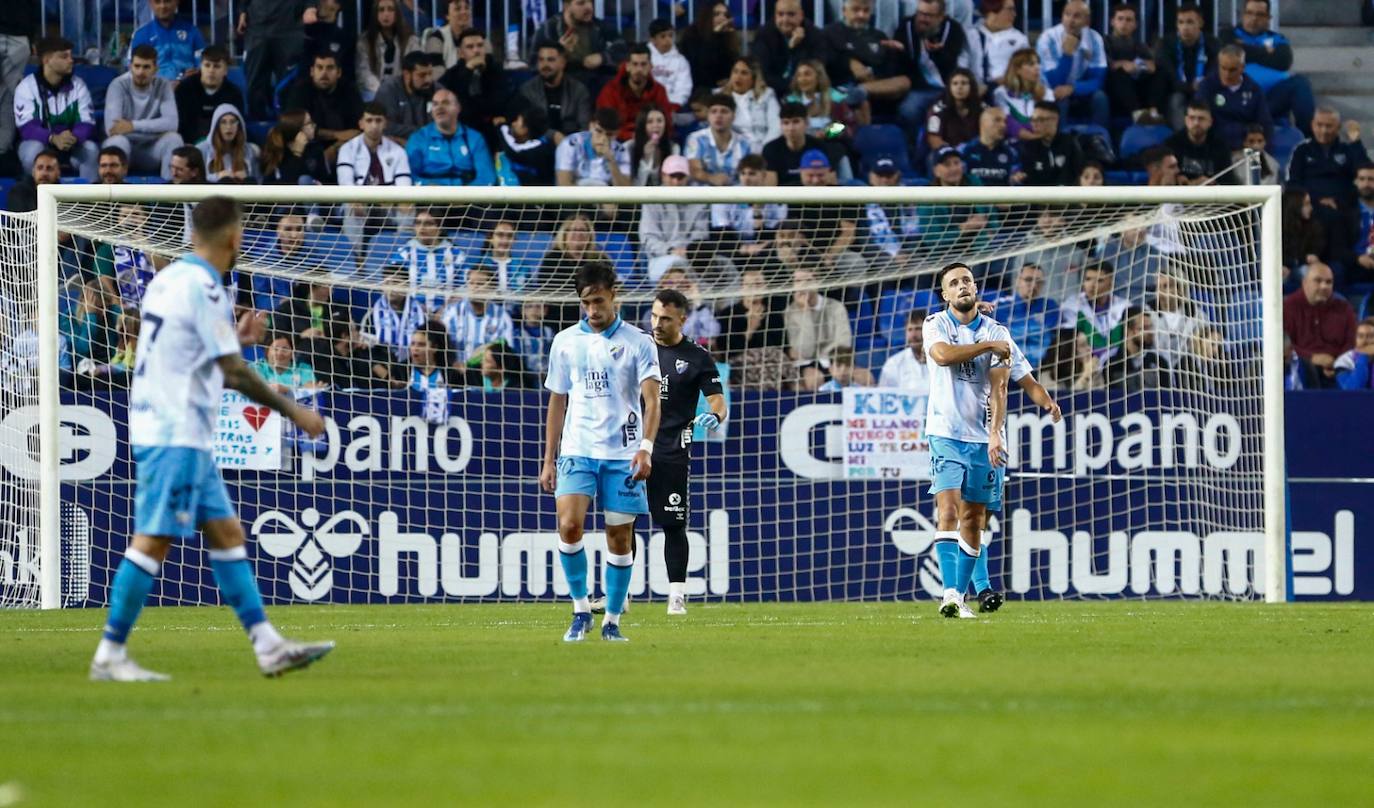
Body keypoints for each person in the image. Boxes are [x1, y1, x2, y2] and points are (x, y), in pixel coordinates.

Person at [88, 196, 331, 682]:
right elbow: (233, 373)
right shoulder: (205, 286)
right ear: (234, 237)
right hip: (175, 431)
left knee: (226, 532)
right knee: (154, 539)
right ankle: (110, 654)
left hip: (175, 427)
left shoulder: (169, 280)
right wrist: (296, 412)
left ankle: (268, 646)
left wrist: (235, 339)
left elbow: (194, 352)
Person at [539, 260, 661, 642]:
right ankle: (580, 612)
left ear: (614, 296)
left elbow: (652, 401)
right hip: (577, 450)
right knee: (569, 526)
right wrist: (549, 458)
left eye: (599, 301)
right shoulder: (565, 342)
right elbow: (557, 401)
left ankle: (611, 620)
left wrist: (646, 448)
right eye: (586, 302)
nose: (593, 310)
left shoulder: (639, 342)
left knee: (619, 540)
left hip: (623, 454)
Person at [922, 261, 1041, 618]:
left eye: (968, 281)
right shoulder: (936, 324)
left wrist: (1046, 402)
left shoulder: (995, 330)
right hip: (943, 432)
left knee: (974, 519)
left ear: (976, 288)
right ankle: (952, 596)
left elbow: (1006, 383)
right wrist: (986, 344)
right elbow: (942, 356)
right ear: (944, 294)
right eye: (954, 282)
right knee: (947, 511)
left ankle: (972, 590)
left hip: (982, 437)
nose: (963, 286)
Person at [641, 288, 728, 614]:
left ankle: (676, 595)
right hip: (631, 447)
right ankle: (618, 596)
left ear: (682, 319)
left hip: (672, 450)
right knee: (622, 520)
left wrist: (715, 414)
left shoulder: (697, 357)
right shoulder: (639, 346)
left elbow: (717, 399)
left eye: (665, 318)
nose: (657, 323)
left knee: (673, 524)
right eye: (654, 316)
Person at [1222, 0, 1315, 136]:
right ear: (1242, 15)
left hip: (1270, 102)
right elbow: (1229, 52)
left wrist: (1244, 49)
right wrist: (1265, 52)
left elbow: (1283, 62)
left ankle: (1309, 143)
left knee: (1300, 83)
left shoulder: (1278, 38)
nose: (1254, 19)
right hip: (1238, 101)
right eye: (1249, 13)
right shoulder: (1228, 34)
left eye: (1260, 15)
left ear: (1268, 19)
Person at [15, 37, 99, 180]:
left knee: (91, 150)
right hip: (40, 143)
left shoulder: (79, 85)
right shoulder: (27, 87)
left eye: (71, 56)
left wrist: (74, 137)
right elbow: (27, 128)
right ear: (47, 60)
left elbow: (87, 123)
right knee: (32, 152)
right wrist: (53, 138)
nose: (71, 60)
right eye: (64, 56)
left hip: (72, 145)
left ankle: (88, 200)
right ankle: (33, 197)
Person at [104, 45, 183, 180]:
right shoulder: (118, 85)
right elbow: (111, 128)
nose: (140, 72)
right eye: (137, 66)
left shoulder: (163, 86)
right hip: (124, 148)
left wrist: (133, 126)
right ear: (130, 66)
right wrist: (156, 128)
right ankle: (116, 197)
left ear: (155, 69)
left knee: (174, 139)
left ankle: (170, 196)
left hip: (152, 150)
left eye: (146, 67)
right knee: (117, 141)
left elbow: (172, 124)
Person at [894, 0, 972, 132]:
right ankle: (913, 148)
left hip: (947, 88)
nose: (922, 19)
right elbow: (901, 66)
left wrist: (938, 53)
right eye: (920, 14)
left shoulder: (953, 29)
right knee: (908, 110)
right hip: (918, 87)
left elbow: (951, 65)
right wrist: (900, 52)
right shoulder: (906, 26)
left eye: (929, 15)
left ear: (941, 16)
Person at [823, 0, 912, 108]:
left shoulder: (879, 36)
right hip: (843, 85)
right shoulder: (829, 33)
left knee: (904, 81)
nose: (861, 15)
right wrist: (848, 63)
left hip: (875, 87)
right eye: (856, 10)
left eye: (866, 11)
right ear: (844, 11)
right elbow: (824, 62)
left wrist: (899, 52)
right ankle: (854, 95)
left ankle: (860, 91)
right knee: (860, 102)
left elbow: (890, 69)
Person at [1035, 0, 1108, 128]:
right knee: (1061, 99)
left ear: (1087, 21)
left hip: (1077, 89)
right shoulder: (1047, 39)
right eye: (1067, 14)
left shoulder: (1095, 39)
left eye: (1077, 16)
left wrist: (1073, 88)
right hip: (1050, 90)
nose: (1070, 20)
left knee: (1100, 98)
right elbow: (1054, 82)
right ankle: (1060, 144)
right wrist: (1067, 55)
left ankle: (1101, 140)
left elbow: (1098, 80)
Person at [1283, 261, 1356, 388]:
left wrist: (1337, 363)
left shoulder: (1344, 308)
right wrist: (1311, 358)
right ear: (1304, 282)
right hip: (1301, 368)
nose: (1324, 286)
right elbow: (1284, 345)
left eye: (1329, 282)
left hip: (1338, 368)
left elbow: (1351, 342)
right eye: (1318, 281)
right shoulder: (1288, 307)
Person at [528, 0, 626, 91]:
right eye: (581, 3)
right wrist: (560, 55)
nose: (589, 7)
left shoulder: (598, 26)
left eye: (590, 2)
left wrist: (602, 57)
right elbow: (534, 66)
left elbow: (621, 47)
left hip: (596, 82)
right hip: (564, 88)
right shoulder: (548, 30)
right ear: (566, 6)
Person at [1287, 108, 1372, 212]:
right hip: (1310, 210)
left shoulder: (1348, 150)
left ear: (1338, 127)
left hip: (1343, 210)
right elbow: (1294, 183)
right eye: (1319, 125)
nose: (1324, 130)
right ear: (1312, 125)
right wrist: (1315, 201)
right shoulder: (1302, 151)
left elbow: (1365, 172)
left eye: (1329, 126)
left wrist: (1355, 142)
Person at [641, 155, 710, 282]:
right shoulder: (651, 200)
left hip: (692, 257)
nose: (676, 182)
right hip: (660, 258)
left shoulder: (699, 200)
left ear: (687, 177)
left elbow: (701, 233)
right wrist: (670, 250)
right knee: (678, 266)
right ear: (663, 175)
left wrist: (688, 251)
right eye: (672, 176)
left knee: (723, 264)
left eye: (680, 177)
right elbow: (648, 238)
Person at [406, 89, 495, 186]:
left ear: (458, 108)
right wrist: (426, 186)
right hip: (430, 197)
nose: (439, 108)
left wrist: (466, 195)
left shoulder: (475, 138)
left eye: (445, 103)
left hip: (468, 197)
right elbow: (410, 175)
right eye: (435, 104)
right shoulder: (418, 138)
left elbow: (487, 176)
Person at [785, 266, 853, 391]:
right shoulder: (790, 312)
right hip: (804, 364)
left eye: (808, 280)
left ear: (817, 282)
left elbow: (844, 343)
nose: (803, 285)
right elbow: (805, 351)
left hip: (834, 361)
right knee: (814, 378)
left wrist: (826, 358)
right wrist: (805, 313)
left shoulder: (836, 307)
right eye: (798, 281)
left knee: (865, 377)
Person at [282, 52, 365, 151]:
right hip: (308, 147)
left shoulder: (350, 90)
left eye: (330, 68)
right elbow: (293, 126)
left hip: (345, 146)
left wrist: (336, 146)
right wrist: (336, 135)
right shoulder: (301, 90)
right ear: (312, 71)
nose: (324, 73)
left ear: (339, 72)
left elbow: (358, 127)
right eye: (319, 67)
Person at [1153, 3, 1217, 131]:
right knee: (1177, 99)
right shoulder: (1165, 44)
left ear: (1200, 23)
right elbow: (1169, 77)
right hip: (1176, 91)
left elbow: (1215, 73)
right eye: (1181, 22)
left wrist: (1202, 85)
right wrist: (1189, 87)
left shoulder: (1213, 44)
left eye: (1190, 22)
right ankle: (1184, 139)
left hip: (1205, 91)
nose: (1185, 27)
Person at [238, 0, 306, 120]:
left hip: (289, 29)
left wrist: (311, 6)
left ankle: (289, 125)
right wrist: (242, 11)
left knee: (289, 82)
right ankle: (257, 124)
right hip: (257, 29)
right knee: (255, 82)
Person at [1195, 45, 1272, 150]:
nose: (1226, 74)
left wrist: (1260, 142)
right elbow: (1200, 118)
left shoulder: (1254, 90)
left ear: (1242, 67)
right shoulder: (1207, 87)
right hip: (1214, 148)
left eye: (1232, 70)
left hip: (1246, 148)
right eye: (1223, 68)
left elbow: (1265, 122)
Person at [753, 0, 831, 99]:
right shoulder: (764, 35)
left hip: (807, 93)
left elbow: (816, 71)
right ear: (775, 15)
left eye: (791, 14)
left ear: (801, 15)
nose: (785, 20)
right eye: (780, 14)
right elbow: (763, 74)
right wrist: (790, 49)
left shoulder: (815, 35)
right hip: (772, 93)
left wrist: (796, 49)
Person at [596, 44, 674, 141]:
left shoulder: (659, 91)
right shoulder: (610, 91)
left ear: (651, 66)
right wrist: (633, 137)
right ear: (627, 66)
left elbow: (667, 125)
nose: (639, 69)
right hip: (618, 142)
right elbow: (605, 125)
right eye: (635, 64)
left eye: (643, 64)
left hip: (652, 141)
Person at [392, 206, 462, 313]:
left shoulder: (456, 254)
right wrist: (416, 307)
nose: (422, 227)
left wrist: (445, 309)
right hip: (411, 312)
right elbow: (393, 283)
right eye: (418, 223)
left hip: (449, 313)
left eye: (428, 223)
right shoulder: (404, 253)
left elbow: (464, 287)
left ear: (440, 227)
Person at [440, 266, 515, 363]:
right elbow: (441, 345)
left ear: (492, 288)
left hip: (488, 373)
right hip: (456, 371)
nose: (474, 287)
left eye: (480, 284)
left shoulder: (502, 317)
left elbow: (507, 351)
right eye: (471, 283)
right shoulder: (452, 312)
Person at [437, 28, 505, 132]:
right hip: (461, 127)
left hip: (491, 128)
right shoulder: (451, 75)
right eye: (470, 47)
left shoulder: (496, 70)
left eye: (480, 45)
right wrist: (467, 71)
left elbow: (500, 101)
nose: (476, 50)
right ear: (460, 53)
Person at [174, 46, 244, 147]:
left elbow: (237, 126)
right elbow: (180, 124)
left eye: (217, 66)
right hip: (188, 145)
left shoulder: (234, 94)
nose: (211, 71)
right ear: (200, 67)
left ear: (225, 71)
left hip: (222, 145)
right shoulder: (184, 89)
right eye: (207, 65)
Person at [518, 43, 593, 137]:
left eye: (551, 60)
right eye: (541, 60)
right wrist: (553, 136)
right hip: (538, 143)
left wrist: (569, 145)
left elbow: (585, 127)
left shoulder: (579, 91)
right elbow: (526, 125)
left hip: (572, 143)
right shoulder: (528, 90)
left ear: (563, 63)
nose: (545, 65)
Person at [992, 263, 1059, 367]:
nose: (1033, 285)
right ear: (1017, 281)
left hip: (1040, 368)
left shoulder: (1050, 307)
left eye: (1039, 281)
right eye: (1028, 280)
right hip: (1007, 368)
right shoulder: (1000, 306)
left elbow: (1049, 336)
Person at [1103, 2, 1157, 122]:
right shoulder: (1104, 41)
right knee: (1119, 73)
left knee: (1159, 74)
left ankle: (1154, 111)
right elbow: (1107, 64)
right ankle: (1138, 115)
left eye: (1129, 20)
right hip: (1113, 90)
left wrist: (1137, 66)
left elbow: (1151, 66)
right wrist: (1123, 64)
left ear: (1135, 25)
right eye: (1120, 19)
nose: (1124, 23)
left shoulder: (1139, 45)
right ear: (1112, 22)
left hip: (1136, 87)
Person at [686, 93, 754, 186]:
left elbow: (750, 175)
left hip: (735, 196)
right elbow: (693, 169)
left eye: (724, 111)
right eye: (713, 111)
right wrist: (711, 178)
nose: (718, 116)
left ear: (733, 116)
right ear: (708, 116)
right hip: (703, 196)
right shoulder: (696, 139)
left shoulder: (745, 143)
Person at [356, 0, 421, 96]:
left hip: (402, 91)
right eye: (381, 10)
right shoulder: (365, 41)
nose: (386, 14)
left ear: (397, 13)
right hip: (373, 91)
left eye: (391, 9)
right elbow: (363, 73)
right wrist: (382, 90)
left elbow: (414, 69)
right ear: (375, 14)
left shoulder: (411, 40)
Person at [129, 0, 205, 81]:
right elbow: (134, 69)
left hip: (187, 88)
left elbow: (203, 64)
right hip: (154, 88)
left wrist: (197, 73)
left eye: (167, 1)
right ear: (151, 4)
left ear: (176, 2)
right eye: (157, 2)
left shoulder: (192, 31)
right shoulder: (141, 35)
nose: (163, 6)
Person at [368, 263, 429, 363]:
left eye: (396, 283)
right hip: (383, 361)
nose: (391, 288)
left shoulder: (421, 312)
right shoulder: (373, 313)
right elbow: (367, 345)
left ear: (407, 286)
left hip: (414, 361)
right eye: (387, 283)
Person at [1165, 101, 1238, 184]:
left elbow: (1228, 181)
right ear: (1186, 120)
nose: (1196, 123)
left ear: (1210, 122)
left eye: (1201, 119)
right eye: (1192, 118)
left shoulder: (1221, 147)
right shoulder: (1172, 144)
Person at [678, 0, 742, 94]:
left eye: (725, 15)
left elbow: (732, 65)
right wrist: (715, 35)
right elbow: (700, 66)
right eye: (716, 14)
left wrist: (729, 80)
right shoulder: (691, 36)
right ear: (707, 16)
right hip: (698, 89)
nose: (722, 18)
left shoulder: (728, 36)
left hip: (723, 89)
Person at [1102, 305, 1171, 392]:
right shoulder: (1111, 364)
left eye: (1151, 327)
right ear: (1128, 331)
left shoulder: (1159, 362)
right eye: (1145, 328)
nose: (1151, 332)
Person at [556, 107, 631, 186]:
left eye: (609, 134)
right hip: (574, 196)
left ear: (617, 134)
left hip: (605, 196)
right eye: (599, 131)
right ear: (591, 126)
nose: (603, 139)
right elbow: (564, 184)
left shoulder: (621, 151)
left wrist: (611, 161)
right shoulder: (570, 144)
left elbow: (625, 190)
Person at [992, 47, 1053, 141]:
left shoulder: (1047, 93)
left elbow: (1048, 122)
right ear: (1017, 70)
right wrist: (1032, 136)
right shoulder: (1001, 93)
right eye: (1031, 64)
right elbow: (1008, 123)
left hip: (1041, 142)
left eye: (1038, 63)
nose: (1037, 67)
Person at [763, 101, 830, 185]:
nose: (791, 128)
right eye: (786, 123)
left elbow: (829, 183)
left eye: (796, 122)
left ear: (806, 123)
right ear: (780, 125)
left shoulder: (820, 146)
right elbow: (770, 189)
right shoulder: (770, 149)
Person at [966, 0, 1027, 90]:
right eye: (1010, 9)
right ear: (992, 11)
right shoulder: (970, 36)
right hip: (974, 93)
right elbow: (961, 67)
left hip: (1008, 91)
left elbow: (1026, 71)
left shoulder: (1020, 40)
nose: (1014, 14)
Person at [261, 110, 333, 185]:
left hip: (316, 195)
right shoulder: (278, 152)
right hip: (286, 196)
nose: (314, 125)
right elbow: (284, 184)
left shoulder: (316, 149)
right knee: (303, 180)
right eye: (309, 123)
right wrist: (297, 154)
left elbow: (326, 179)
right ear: (297, 129)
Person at [1019, 101, 1082, 186]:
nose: (1034, 125)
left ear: (1055, 120)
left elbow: (1078, 176)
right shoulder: (1029, 147)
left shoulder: (1070, 144)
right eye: (1033, 120)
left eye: (1040, 120)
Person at [375, 50, 435, 139]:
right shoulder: (388, 90)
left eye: (430, 74)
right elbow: (384, 125)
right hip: (394, 145)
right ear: (407, 74)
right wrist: (420, 131)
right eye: (422, 75)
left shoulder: (436, 90)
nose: (428, 80)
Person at [959, 106, 1022, 186]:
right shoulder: (964, 150)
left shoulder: (1011, 153)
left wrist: (1015, 180)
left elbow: (1016, 179)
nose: (1003, 125)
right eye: (997, 120)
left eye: (1005, 121)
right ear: (983, 123)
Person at [498, 105, 559, 186]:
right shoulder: (540, 146)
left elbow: (514, 150)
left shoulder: (540, 150)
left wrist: (501, 126)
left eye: (517, 121)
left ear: (525, 129)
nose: (513, 124)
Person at [728, 59, 782, 148]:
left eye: (744, 73)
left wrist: (765, 149)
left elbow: (776, 126)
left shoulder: (767, 94)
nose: (738, 77)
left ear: (754, 78)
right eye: (735, 71)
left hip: (763, 146)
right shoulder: (721, 97)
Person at [925, 67, 982, 152]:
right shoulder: (937, 110)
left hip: (975, 153)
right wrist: (953, 153)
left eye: (964, 83)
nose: (959, 87)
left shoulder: (981, 108)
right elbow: (934, 138)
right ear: (949, 87)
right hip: (947, 154)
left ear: (971, 86)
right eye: (955, 83)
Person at [198, 105, 258, 183]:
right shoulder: (202, 150)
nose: (229, 127)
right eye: (223, 122)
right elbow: (197, 181)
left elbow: (258, 181)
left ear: (238, 126)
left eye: (233, 122)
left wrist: (246, 178)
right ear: (216, 126)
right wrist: (217, 177)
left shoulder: (249, 150)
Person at [303, 0, 358, 81]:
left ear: (337, 5)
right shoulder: (308, 33)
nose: (321, 2)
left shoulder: (345, 39)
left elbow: (348, 73)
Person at [647, 17, 693, 111]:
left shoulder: (681, 61)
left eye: (670, 35)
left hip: (672, 106)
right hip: (646, 105)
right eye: (663, 36)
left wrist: (675, 104)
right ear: (653, 39)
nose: (668, 40)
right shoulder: (644, 57)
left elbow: (684, 87)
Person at [879, 308, 930, 390]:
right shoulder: (894, 363)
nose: (913, 335)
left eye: (918, 329)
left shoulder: (942, 360)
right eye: (910, 330)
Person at [254, 333, 324, 391]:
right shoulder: (257, 367)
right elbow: (259, 390)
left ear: (292, 353)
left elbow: (309, 388)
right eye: (275, 349)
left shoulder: (303, 368)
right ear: (267, 352)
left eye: (285, 349)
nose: (280, 353)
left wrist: (315, 388)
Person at [1342, 163, 1374, 286]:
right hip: (1356, 264)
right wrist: (1358, 259)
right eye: (1362, 179)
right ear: (1355, 182)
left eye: (1371, 179)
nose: (1366, 184)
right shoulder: (1345, 210)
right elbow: (1339, 247)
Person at [629, 105, 678, 186]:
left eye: (659, 121)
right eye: (650, 122)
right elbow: (635, 187)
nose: (656, 125)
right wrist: (646, 160)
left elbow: (671, 184)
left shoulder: (674, 148)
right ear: (642, 125)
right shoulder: (629, 147)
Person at [1334, 317, 1374, 391]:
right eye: (1360, 336)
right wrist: (1363, 357)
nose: (1364, 340)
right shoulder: (1344, 360)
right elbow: (1353, 390)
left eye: (1370, 336)